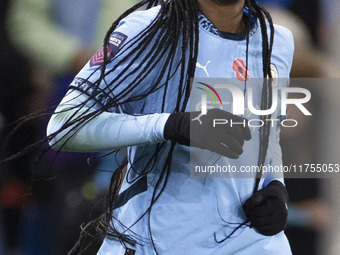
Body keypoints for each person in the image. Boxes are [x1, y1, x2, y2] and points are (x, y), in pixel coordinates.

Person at [46, 0, 294, 254]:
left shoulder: (276, 41)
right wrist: (169, 125)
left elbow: (267, 135)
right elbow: (64, 125)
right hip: (156, 243)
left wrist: (276, 187)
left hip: (252, 243)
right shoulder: (146, 30)